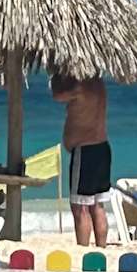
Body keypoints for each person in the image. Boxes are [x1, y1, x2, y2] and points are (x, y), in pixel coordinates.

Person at [51, 71, 112, 247]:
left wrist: (55, 74)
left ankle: (83, 248)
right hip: (102, 147)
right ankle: (101, 247)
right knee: (97, 204)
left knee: (79, 207)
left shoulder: (80, 87)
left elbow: (57, 95)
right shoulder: (98, 84)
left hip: (85, 151)